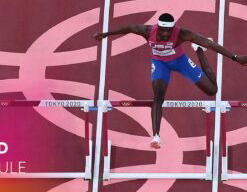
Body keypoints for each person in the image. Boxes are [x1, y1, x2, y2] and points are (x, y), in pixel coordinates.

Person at [94, 13, 247, 149]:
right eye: (163, 30)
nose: (166, 33)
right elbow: (129, 28)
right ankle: (156, 136)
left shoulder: (181, 33)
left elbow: (209, 43)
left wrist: (234, 57)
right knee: (158, 97)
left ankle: (198, 51)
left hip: (180, 61)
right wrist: (106, 34)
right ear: (158, 28)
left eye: (169, 30)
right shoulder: (147, 31)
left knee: (212, 90)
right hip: (160, 64)